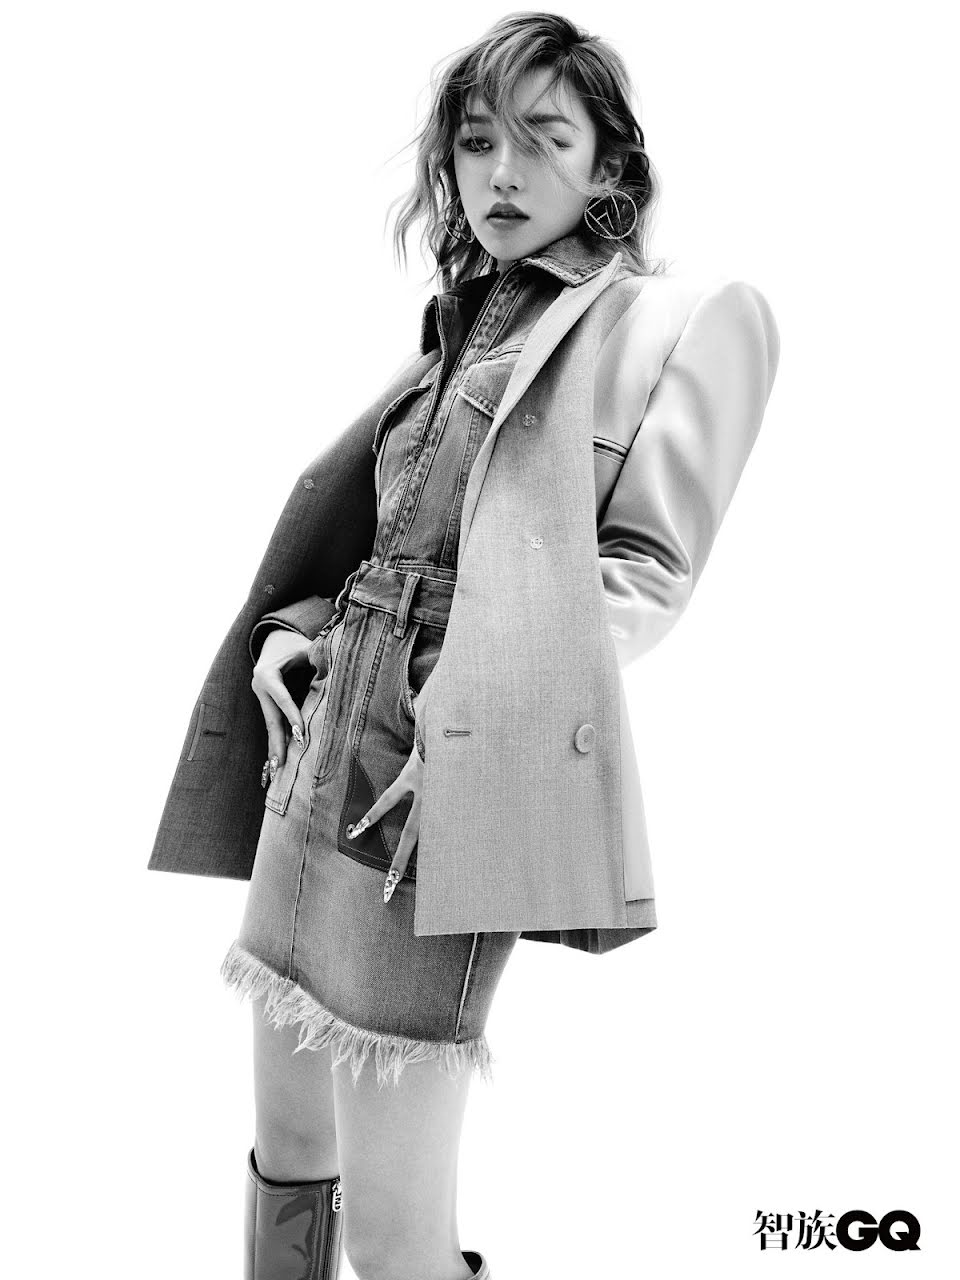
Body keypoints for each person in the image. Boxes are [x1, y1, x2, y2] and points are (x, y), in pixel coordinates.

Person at [147, 12, 780, 1280]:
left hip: (449, 769)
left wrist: (482, 704)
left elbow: (643, 570)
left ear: (610, 166)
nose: (503, 172)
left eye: (546, 139)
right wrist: (299, 633)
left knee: (396, 1236)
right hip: (314, 746)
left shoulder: (667, 322)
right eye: (479, 142)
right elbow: (394, 546)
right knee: (288, 1142)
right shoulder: (459, 325)